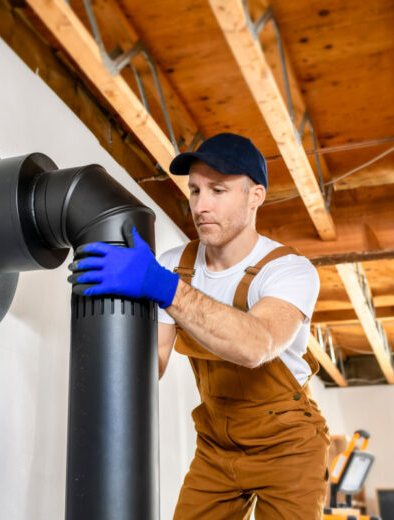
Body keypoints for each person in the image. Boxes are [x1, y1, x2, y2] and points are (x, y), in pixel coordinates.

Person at [67, 132, 329, 519]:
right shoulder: (175, 263)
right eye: (194, 191)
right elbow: (153, 358)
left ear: (255, 196)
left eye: (218, 191)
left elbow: (256, 344)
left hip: (288, 447)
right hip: (216, 446)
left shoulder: (287, 270)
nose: (200, 206)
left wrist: (161, 285)